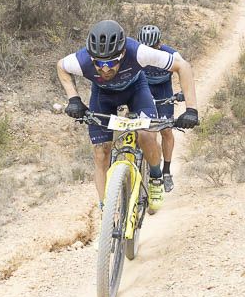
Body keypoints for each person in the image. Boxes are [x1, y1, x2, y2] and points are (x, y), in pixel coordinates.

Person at [57, 19, 199, 212]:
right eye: (99, 63)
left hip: (136, 90)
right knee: (101, 153)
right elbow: (61, 66)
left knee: (147, 135)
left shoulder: (138, 52)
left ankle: (156, 178)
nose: (105, 68)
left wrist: (191, 109)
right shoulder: (81, 60)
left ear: (123, 53)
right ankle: (105, 209)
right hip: (103, 95)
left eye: (111, 62)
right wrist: (73, 98)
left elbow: (183, 66)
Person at [137, 24, 181, 192]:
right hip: (142, 89)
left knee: (166, 130)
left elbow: (183, 71)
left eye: (153, 48)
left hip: (163, 90)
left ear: (159, 43)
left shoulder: (170, 54)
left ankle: (167, 171)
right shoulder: (136, 53)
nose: (149, 52)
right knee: (141, 128)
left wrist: (183, 93)